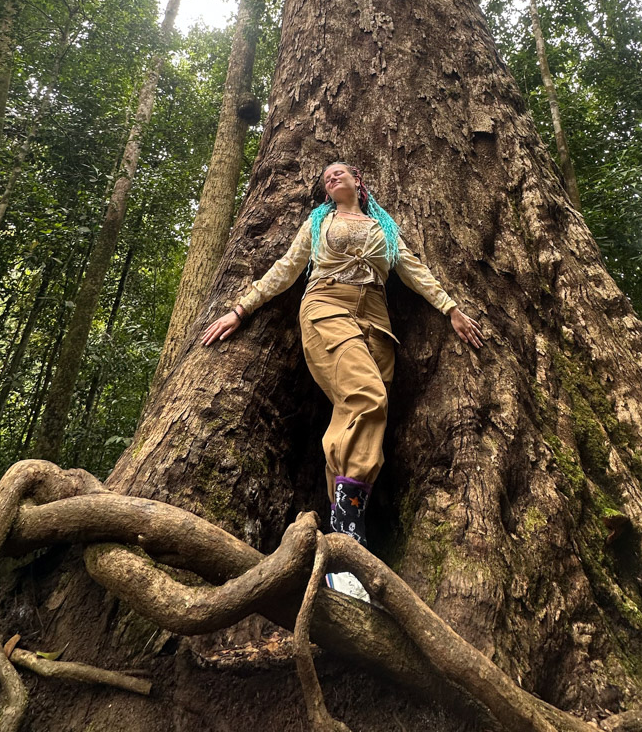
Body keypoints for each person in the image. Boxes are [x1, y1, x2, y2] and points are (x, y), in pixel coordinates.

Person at [201, 162, 481, 596]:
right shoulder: (319, 222)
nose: (331, 178)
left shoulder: (383, 228)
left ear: (358, 181)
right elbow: (286, 268)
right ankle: (347, 537)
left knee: (362, 412)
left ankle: (346, 540)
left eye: (340, 172)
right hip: (326, 305)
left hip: (375, 319)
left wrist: (450, 308)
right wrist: (241, 309)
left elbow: (413, 269)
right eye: (326, 176)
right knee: (366, 398)